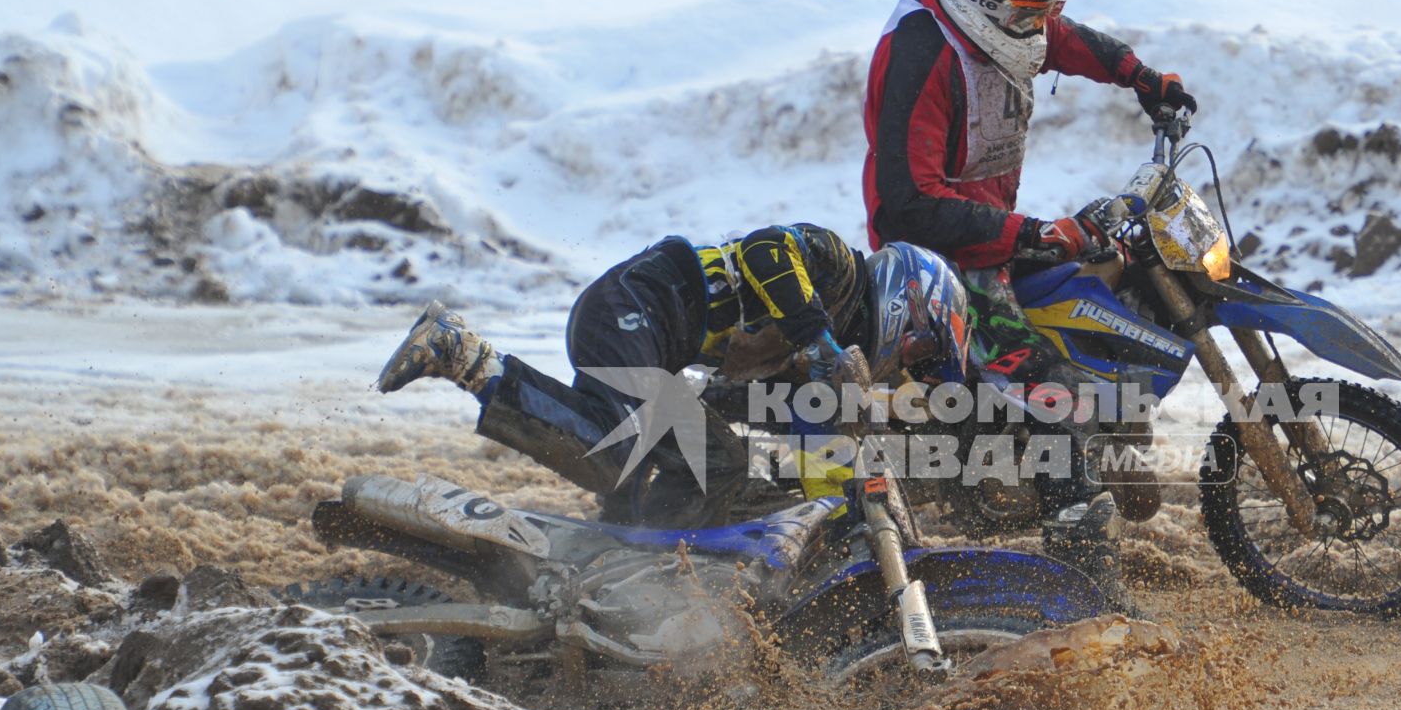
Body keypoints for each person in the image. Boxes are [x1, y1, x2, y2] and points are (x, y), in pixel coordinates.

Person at [861, 0, 1198, 605]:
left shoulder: (1006, 26)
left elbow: (1064, 42)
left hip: (995, 233)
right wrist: (1032, 232)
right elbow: (908, 204)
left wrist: (1139, 76)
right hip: (941, 261)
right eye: (1028, 11)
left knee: (1115, 280)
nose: (1039, 25)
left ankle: (1120, 440)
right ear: (982, 4)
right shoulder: (922, 54)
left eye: (1043, 10)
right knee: (1058, 391)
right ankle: (1088, 588)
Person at [375, 226, 968, 528]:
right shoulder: (838, 268)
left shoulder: (824, 367)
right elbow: (766, 248)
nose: (903, 364)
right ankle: (462, 352)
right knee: (613, 452)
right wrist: (821, 338)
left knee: (720, 465)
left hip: (657, 351)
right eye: (916, 348)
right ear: (910, 300)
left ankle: (642, 565)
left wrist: (840, 512)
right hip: (636, 305)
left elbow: (808, 434)